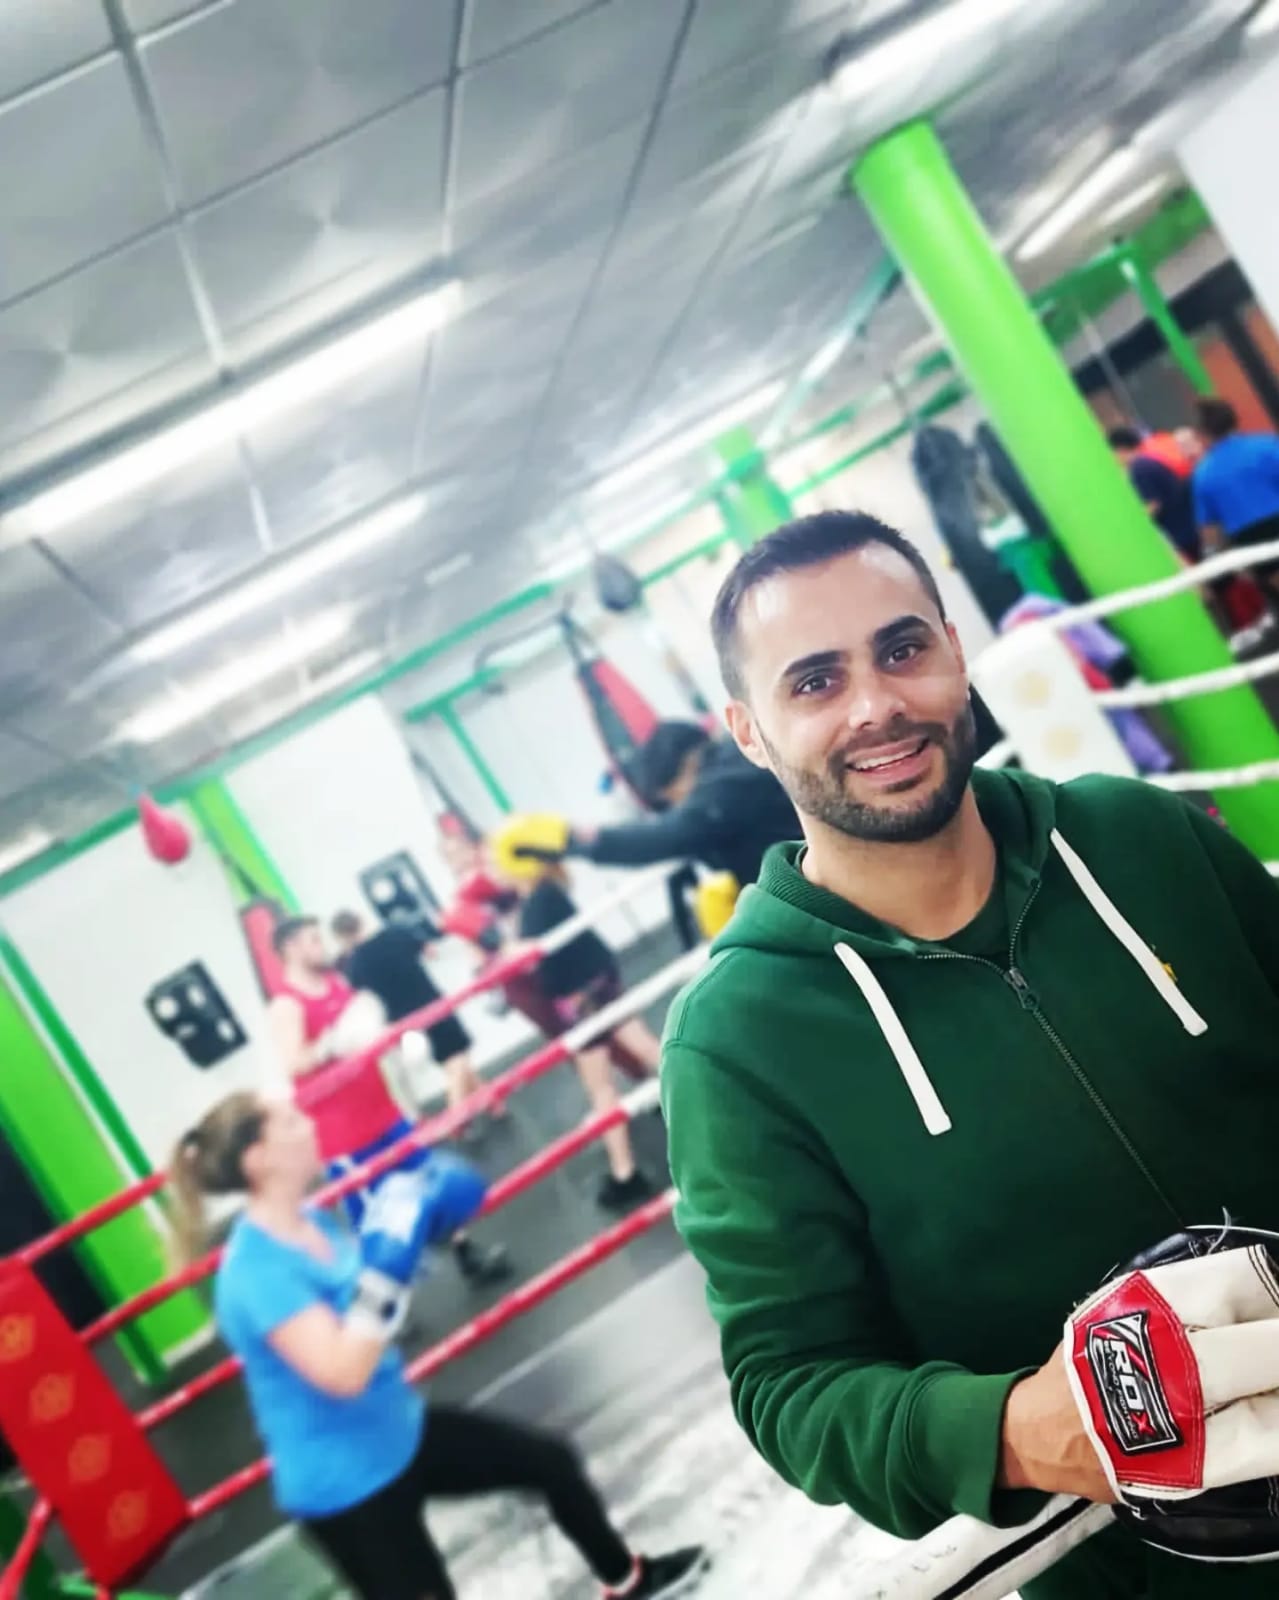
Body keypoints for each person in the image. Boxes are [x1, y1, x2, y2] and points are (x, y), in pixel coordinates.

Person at [660, 509, 1279, 1598]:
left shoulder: (1137, 835)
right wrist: (1006, 1429)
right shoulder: (736, 1040)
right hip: (1145, 1576)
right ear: (748, 731)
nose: (875, 706)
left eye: (901, 649)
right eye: (812, 681)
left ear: (952, 649)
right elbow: (788, 1381)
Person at [171, 1093, 706, 1600]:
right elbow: (341, 1371)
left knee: (550, 1463)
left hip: (400, 1430)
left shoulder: (309, 1221)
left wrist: (408, 1245)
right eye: (289, 1122)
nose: (309, 1124)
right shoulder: (255, 1273)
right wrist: (387, 1271)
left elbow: (363, 1303)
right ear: (258, 1158)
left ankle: (627, 1580)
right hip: (347, 1487)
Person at [267, 915, 508, 1287]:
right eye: (313, 940)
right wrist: (331, 1042)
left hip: (383, 1109)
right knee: (373, 1220)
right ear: (291, 948)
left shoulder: (336, 982)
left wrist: (385, 1036)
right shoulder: (287, 1005)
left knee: (429, 1179)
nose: (321, 945)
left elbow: (364, 1033)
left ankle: (467, 1254)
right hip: (345, 1134)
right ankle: (383, 1301)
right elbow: (294, 1062)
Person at [502, 860, 661, 1212]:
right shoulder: (539, 895)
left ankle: (625, 1174)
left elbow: (529, 954)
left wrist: (505, 949)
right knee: (645, 1048)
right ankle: (718, 1094)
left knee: (602, 1085)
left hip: (581, 996)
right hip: (591, 984)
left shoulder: (541, 897)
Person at [329, 909, 493, 1135]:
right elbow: (430, 951)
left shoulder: (354, 966)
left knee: (453, 1063)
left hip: (401, 1027)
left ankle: (493, 1103)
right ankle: (455, 1122)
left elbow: (360, 998)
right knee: (457, 1061)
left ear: (340, 937)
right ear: (361, 920)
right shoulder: (396, 935)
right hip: (431, 1007)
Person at [1193, 397, 1279, 603]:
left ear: (1204, 433)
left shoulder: (1203, 473)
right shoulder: (1267, 446)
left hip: (1249, 538)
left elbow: (1209, 529)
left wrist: (1217, 558)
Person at [1106, 425, 1200, 562]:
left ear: (1120, 449)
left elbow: (1152, 505)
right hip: (1188, 526)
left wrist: (1134, 527)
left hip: (1181, 533)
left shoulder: (1139, 468)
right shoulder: (1149, 460)